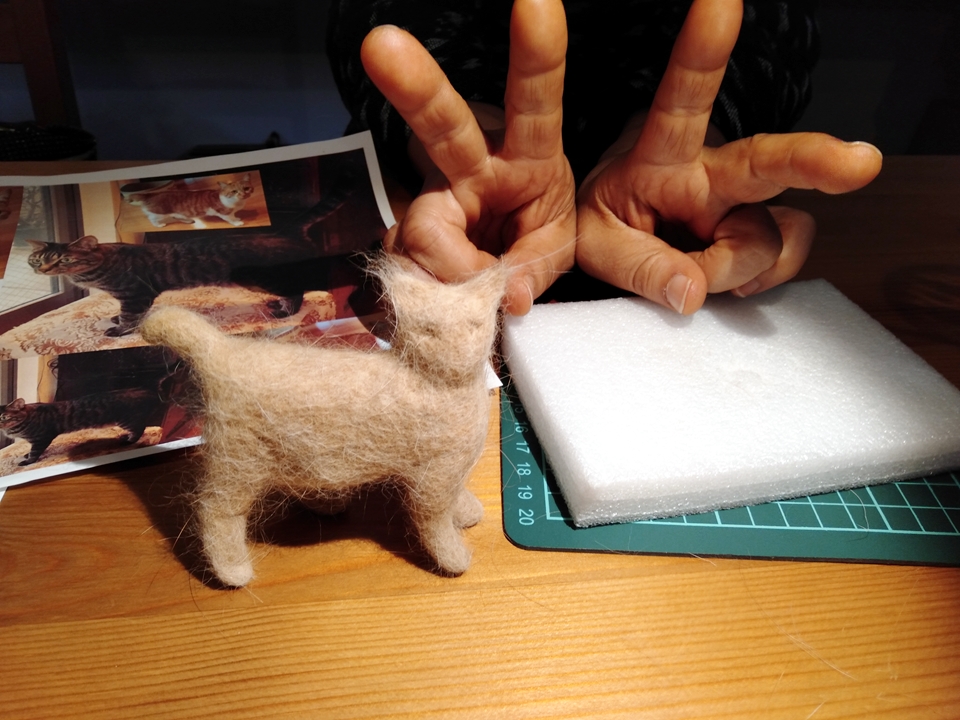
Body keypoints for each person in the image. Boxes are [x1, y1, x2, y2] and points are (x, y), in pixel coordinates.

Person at [327, 0, 883, 315]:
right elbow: (373, 14)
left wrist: (689, 140)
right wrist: (467, 141)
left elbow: (778, 27)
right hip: (460, 188)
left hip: (659, 179)